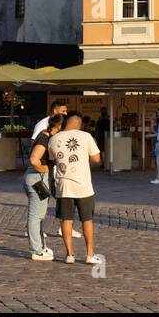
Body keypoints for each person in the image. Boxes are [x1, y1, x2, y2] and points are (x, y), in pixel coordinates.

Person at [48, 113, 102, 265]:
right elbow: (97, 159)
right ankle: (90, 255)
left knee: (66, 219)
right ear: (79, 124)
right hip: (83, 185)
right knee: (87, 220)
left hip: (64, 186)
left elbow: (53, 159)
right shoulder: (86, 136)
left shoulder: (54, 139)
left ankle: (69, 254)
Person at [25, 113, 63, 261]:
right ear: (58, 127)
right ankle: (36, 250)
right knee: (36, 216)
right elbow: (34, 159)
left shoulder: (44, 135)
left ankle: (41, 246)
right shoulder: (44, 138)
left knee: (40, 215)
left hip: (35, 177)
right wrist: (43, 169)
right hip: (37, 178)